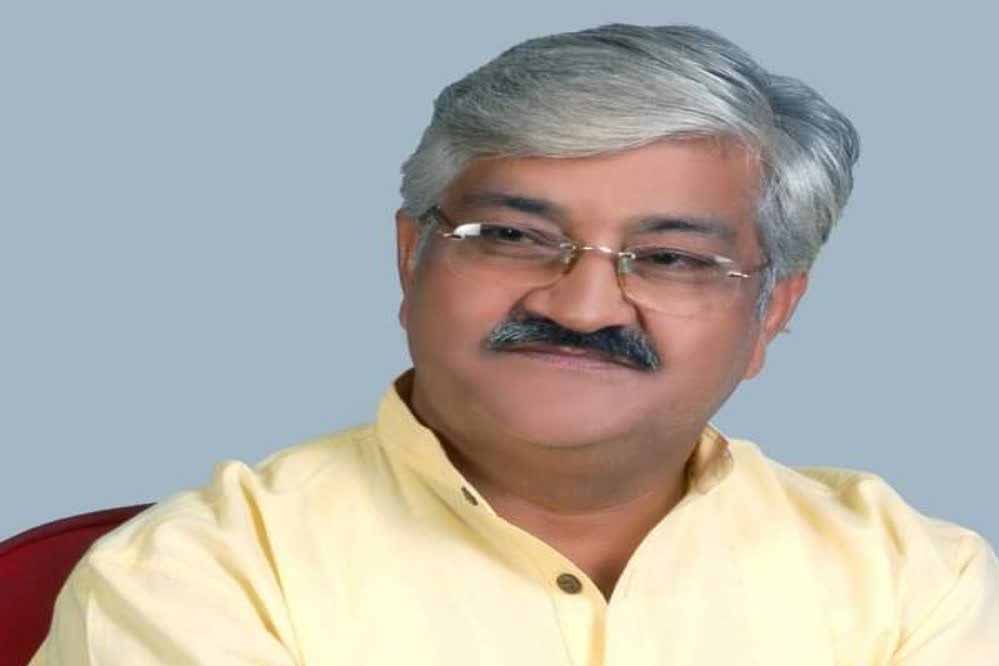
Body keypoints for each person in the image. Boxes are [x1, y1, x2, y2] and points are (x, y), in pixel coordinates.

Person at [31, 23, 998, 665]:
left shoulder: (913, 582)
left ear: (772, 312)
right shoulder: (202, 576)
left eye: (669, 257)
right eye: (511, 236)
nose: (582, 305)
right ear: (411, 258)